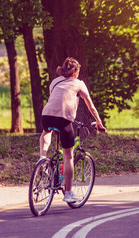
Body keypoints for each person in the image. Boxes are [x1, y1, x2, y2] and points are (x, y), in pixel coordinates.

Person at [39, 57, 106, 203]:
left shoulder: (55, 81)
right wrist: (99, 122)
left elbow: (56, 99)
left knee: (46, 132)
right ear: (75, 71)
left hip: (46, 116)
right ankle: (68, 193)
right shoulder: (79, 84)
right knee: (68, 156)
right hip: (63, 119)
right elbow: (91, 106)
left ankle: (42, 158)